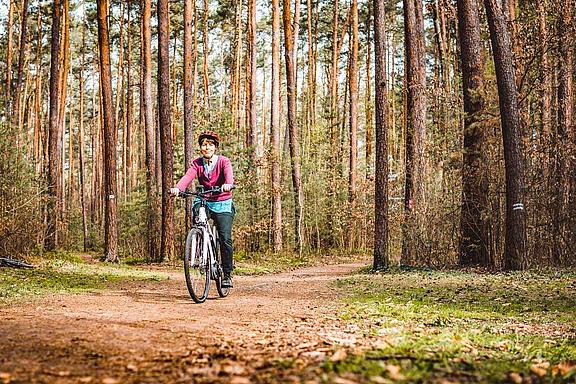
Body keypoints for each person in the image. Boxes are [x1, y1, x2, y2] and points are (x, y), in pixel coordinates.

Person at [170, 130, 235, 288]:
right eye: (204, 145)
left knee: (225, 238)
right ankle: (199, 250)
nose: (207, 148)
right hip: (204, 199)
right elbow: (188, 177)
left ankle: (227, 274)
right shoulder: (197, 163)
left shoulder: (223, 161)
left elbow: (229, 176)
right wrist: (178, 188)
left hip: (222, 201)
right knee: (197, 222)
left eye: (210, 145)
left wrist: (228, 184)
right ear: (200, 148)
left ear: (215, 148)